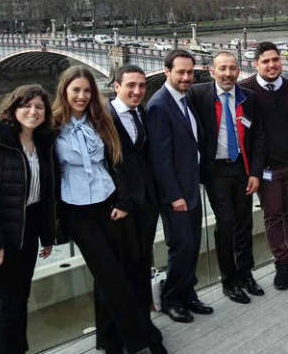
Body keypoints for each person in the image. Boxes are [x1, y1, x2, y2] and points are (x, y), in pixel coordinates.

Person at [54, 67, 165, 353]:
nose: (81, 96)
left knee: (116, 274)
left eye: (87, 91)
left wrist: (122, 201)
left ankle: (109, 340)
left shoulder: (100, 121)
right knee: (111, 277)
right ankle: (146, 335)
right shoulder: (52, 126)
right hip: (76, 211)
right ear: (64, 91)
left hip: (108, 205)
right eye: (76, 90)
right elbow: (25, 152)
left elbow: (115, 164)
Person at [0, 85, 57, 354]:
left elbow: (44, 195)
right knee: (7, 303)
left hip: (28, 233)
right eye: (26, 106)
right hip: (3, 235)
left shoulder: (43, 143)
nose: (33, 112)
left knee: (21, 298)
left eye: (39, 107)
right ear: (13, 109)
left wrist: (47, 236)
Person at [239, 42, 288, 289]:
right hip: (265, 168)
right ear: (256, 64)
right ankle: (281, 263)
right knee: (273, 216)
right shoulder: (246, 91)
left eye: (275, 60)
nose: (272, 65)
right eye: (266, 61)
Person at [190, 52, 266, 303]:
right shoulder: (198, 95)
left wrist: (255, 173)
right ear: (211, 71)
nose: (227, 73)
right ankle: (228, 280)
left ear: (238, 71)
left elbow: (258, 138)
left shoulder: (250, 98)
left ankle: (246, 273)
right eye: (222, 68)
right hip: (216, 172)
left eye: (232, 68)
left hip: (242, 168)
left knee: (244, 223)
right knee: (226, 224)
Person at [146, 49, 210, 324]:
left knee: (192, 244)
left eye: (190, 72)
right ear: (166, 72)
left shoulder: (186, 99)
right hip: (176, 194)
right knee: (180, 247)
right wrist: (174, 196)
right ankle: (172, 300)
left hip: (191, 186)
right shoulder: (159, 105)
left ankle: (188, 294)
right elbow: (159, 159)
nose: (186, 77)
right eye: (180, 72)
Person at [107, 66, 161, 321]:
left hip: (147, 203)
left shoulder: (142, 112)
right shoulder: (103, 118)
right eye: (131, 85)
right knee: (122, 266)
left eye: (141, 86)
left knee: (142, 261)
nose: (137, 91)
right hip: (120, 206)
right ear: (116, 87)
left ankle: (143, 317)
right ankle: (126, 324)